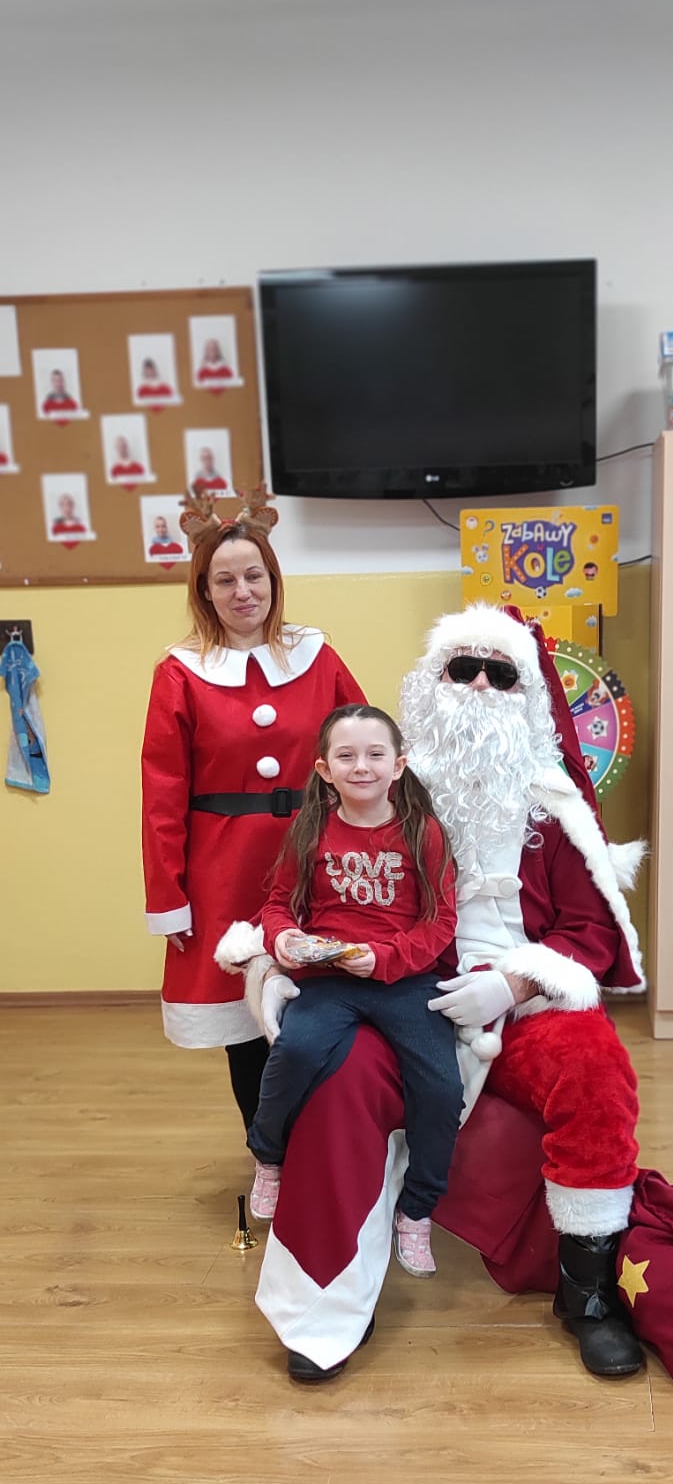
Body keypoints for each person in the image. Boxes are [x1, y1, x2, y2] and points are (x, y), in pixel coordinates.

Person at [238, 602, 648, 1386]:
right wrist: (278, 961)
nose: (481, 687)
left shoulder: (552, 802)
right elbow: (304, 889)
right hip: (394, 984)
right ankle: (323, 1300)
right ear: (432, 684)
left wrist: (514, 982)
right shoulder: (383, 782)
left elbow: (589, 930)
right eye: (463, 669)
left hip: (519, 1000)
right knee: (334, 1080)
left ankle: (588, 1296)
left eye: (500, 673)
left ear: (527, 694)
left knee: (595, 1066)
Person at [140, 485, 365, 1133]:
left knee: (327, 1006)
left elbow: (363, 752)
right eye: (225, 580)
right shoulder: (181, 673)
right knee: (247, 1021)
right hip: (224, 871)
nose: (243, 592)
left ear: (273, 580)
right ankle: (269, 1150)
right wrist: (169, 898)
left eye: (254, 575)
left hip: (316, 857)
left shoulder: (317, 657)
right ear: (205, 591)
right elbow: (161, 794)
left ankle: (333, 1150)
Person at [243, 706, 463, 1275]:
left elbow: (440, 922)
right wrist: (283, 938)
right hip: (329, 979)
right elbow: (277, 905)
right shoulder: (309, 829)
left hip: (405, 979)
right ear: (324, 769)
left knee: (441, 1087)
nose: (361, 766)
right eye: (346, 756)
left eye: (374, 755)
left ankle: (417, 1210)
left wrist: (385, 959)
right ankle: (268, 1156)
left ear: (398, 766)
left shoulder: (423, 832)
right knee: (295, 1052)